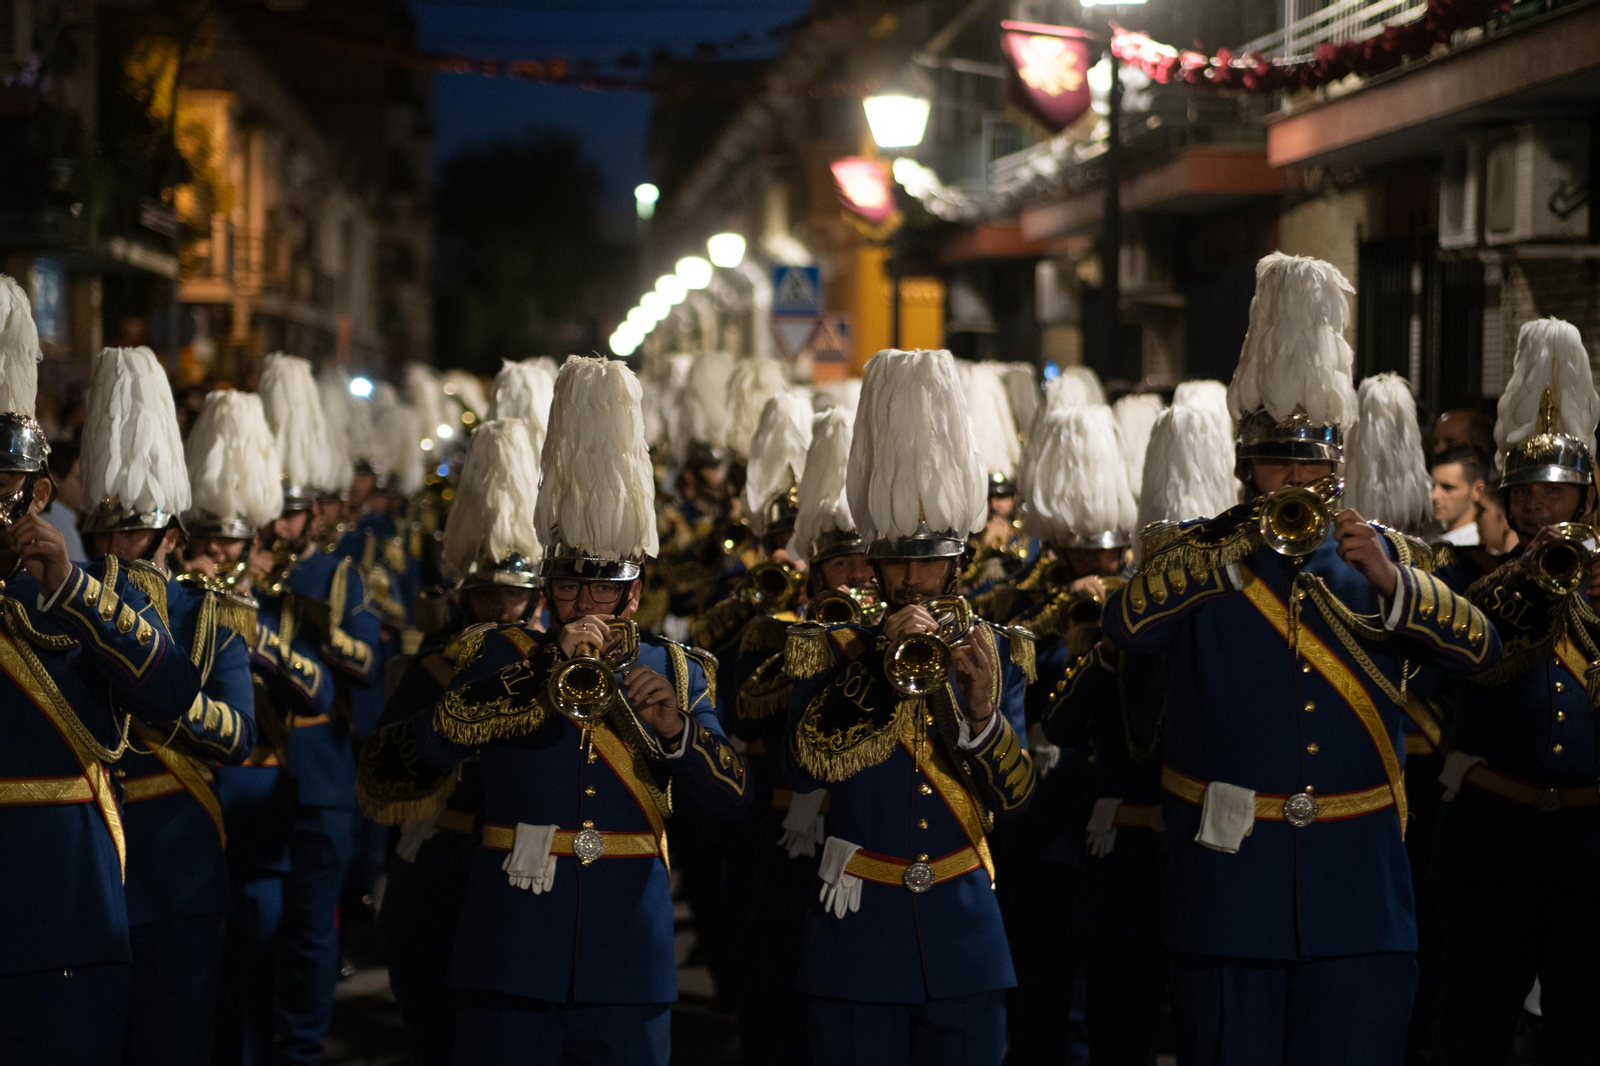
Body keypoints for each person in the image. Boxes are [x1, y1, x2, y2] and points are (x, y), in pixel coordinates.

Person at [1098, 253, 1501, 1066]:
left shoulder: (1387, 561)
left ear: (1337, 465)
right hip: (1230, 897)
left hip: (1358, 897)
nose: (1294, 475)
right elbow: (1127, 630)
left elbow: (1482, 654)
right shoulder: (1198, 557)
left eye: (1310, 460)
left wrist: (1392, 581)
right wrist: (1222, 550)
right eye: (1277, 459)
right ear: (1246, 468)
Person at [376, 354, 752, 1065]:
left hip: (628, 958)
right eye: (568, 589)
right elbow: (421, 751)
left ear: (634, 594)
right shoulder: (498, 656)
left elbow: (734, 799)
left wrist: (674, 731)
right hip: (510, 950)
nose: (584, 606)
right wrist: (539, 676)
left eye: (603, 591)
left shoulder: (677, 670)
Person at [779, 346, 1036, 1065]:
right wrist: (879, 668)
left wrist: (984, 717)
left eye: (931, 561)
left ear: (959, 561)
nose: (916, 579)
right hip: (857, 933)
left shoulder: (999, 650)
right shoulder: (830, 650)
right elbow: (802, 767)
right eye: (899, 561)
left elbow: (1017, 801)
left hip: (964, 932)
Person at [0, 275, 205, 1065]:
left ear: (40, 494)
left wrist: (73, 588)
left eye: (5, 486)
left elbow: (172, 693)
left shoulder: (91, 595)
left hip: (63, 914)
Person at [1045, 387, 1238, 1066]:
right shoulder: (1122, 620)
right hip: (1124, 865)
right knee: (1118, 1029)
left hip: (1211, 854)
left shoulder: (1233, 627)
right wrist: (1104, 648)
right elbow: (1064, 725)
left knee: (1205, 1031)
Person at [77, 349, 260, 1066]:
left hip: (177, 864)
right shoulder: (62, 606)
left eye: (135, 536)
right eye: (108, 536)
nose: (120, 551)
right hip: (85, 863)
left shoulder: (212, 614)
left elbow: (238, 733)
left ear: (171, 539)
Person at [1433, 317, 1600, 1066]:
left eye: (1558, 493)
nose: (1542, 508)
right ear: (1505, 495)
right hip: (1494, 839)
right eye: (1528, 493)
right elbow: (1464, 660)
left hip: (1588, 846)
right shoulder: (1468, 584)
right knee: (1472, 1024)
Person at [363, 416, 546, 1066]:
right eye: (486, 595)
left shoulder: (557, 664)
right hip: (443, 858)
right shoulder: (433, 663)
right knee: (432, 1009)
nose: (499, 608)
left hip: (526, 862)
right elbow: (387, 770)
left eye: (512, 596)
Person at [731, 402, 881, 1066]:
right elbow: (745, 713)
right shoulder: (778, 632)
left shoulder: (897, 636)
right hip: (788, 843)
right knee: (780, 1003)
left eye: (865, 563)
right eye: (843, 565)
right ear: (818, 569)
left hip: (865, 842)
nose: (857, 577)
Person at [256, 352, 385, 1066]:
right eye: (274, 510)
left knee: (310, 927)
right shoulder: (238, 570)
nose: (282, 525)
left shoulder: (336, 573)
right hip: (245, 767)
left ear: (314, 513)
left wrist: (320, 626)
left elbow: (368, 663)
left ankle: (301, 1046)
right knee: (253, 923)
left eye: (294, 510)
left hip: (319, 770)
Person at [180, 390, 294, 1066]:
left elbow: (319, 683)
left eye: (231, 539)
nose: (220, 550)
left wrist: (250, 622)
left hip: (259, 790)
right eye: (208, 538)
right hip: (196, 792)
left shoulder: (279, 594)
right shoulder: (182, 594)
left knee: (258, 959)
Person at [1429, 443, 1490, 547]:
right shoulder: (1433, 538)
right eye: (1433, 486)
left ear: (1478, 490)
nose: (1434, 496)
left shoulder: (1477, 550)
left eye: (1447, 487)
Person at [41, 436, 85, 562]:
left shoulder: (63, 518)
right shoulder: (56, 520)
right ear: (54, 480)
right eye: (78, 478)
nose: (84, 485)